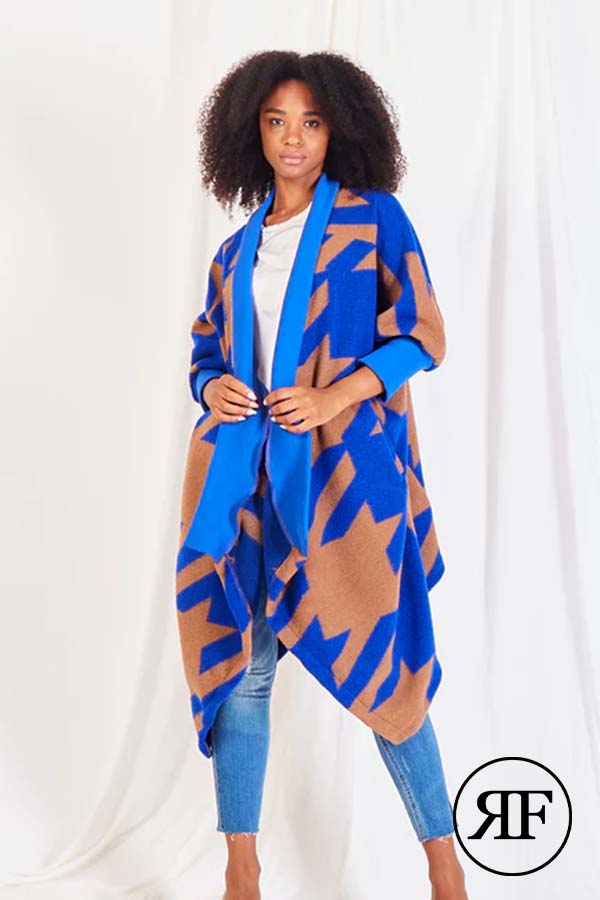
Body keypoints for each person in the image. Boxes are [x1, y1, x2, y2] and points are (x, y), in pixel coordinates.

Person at [175, 50, 469, 900]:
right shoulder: (235, 252)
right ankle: (241, 869)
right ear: (252, 133)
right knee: (244, 669)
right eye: (276, 122)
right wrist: (213, 387)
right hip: (241, 482)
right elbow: (205, 351)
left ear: (338, 129)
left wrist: (333, 395)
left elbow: (422, 335)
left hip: (346, 484)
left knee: (389, 666)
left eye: (310, 122)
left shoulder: (373, 221)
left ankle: (444, 866)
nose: (293, 139)